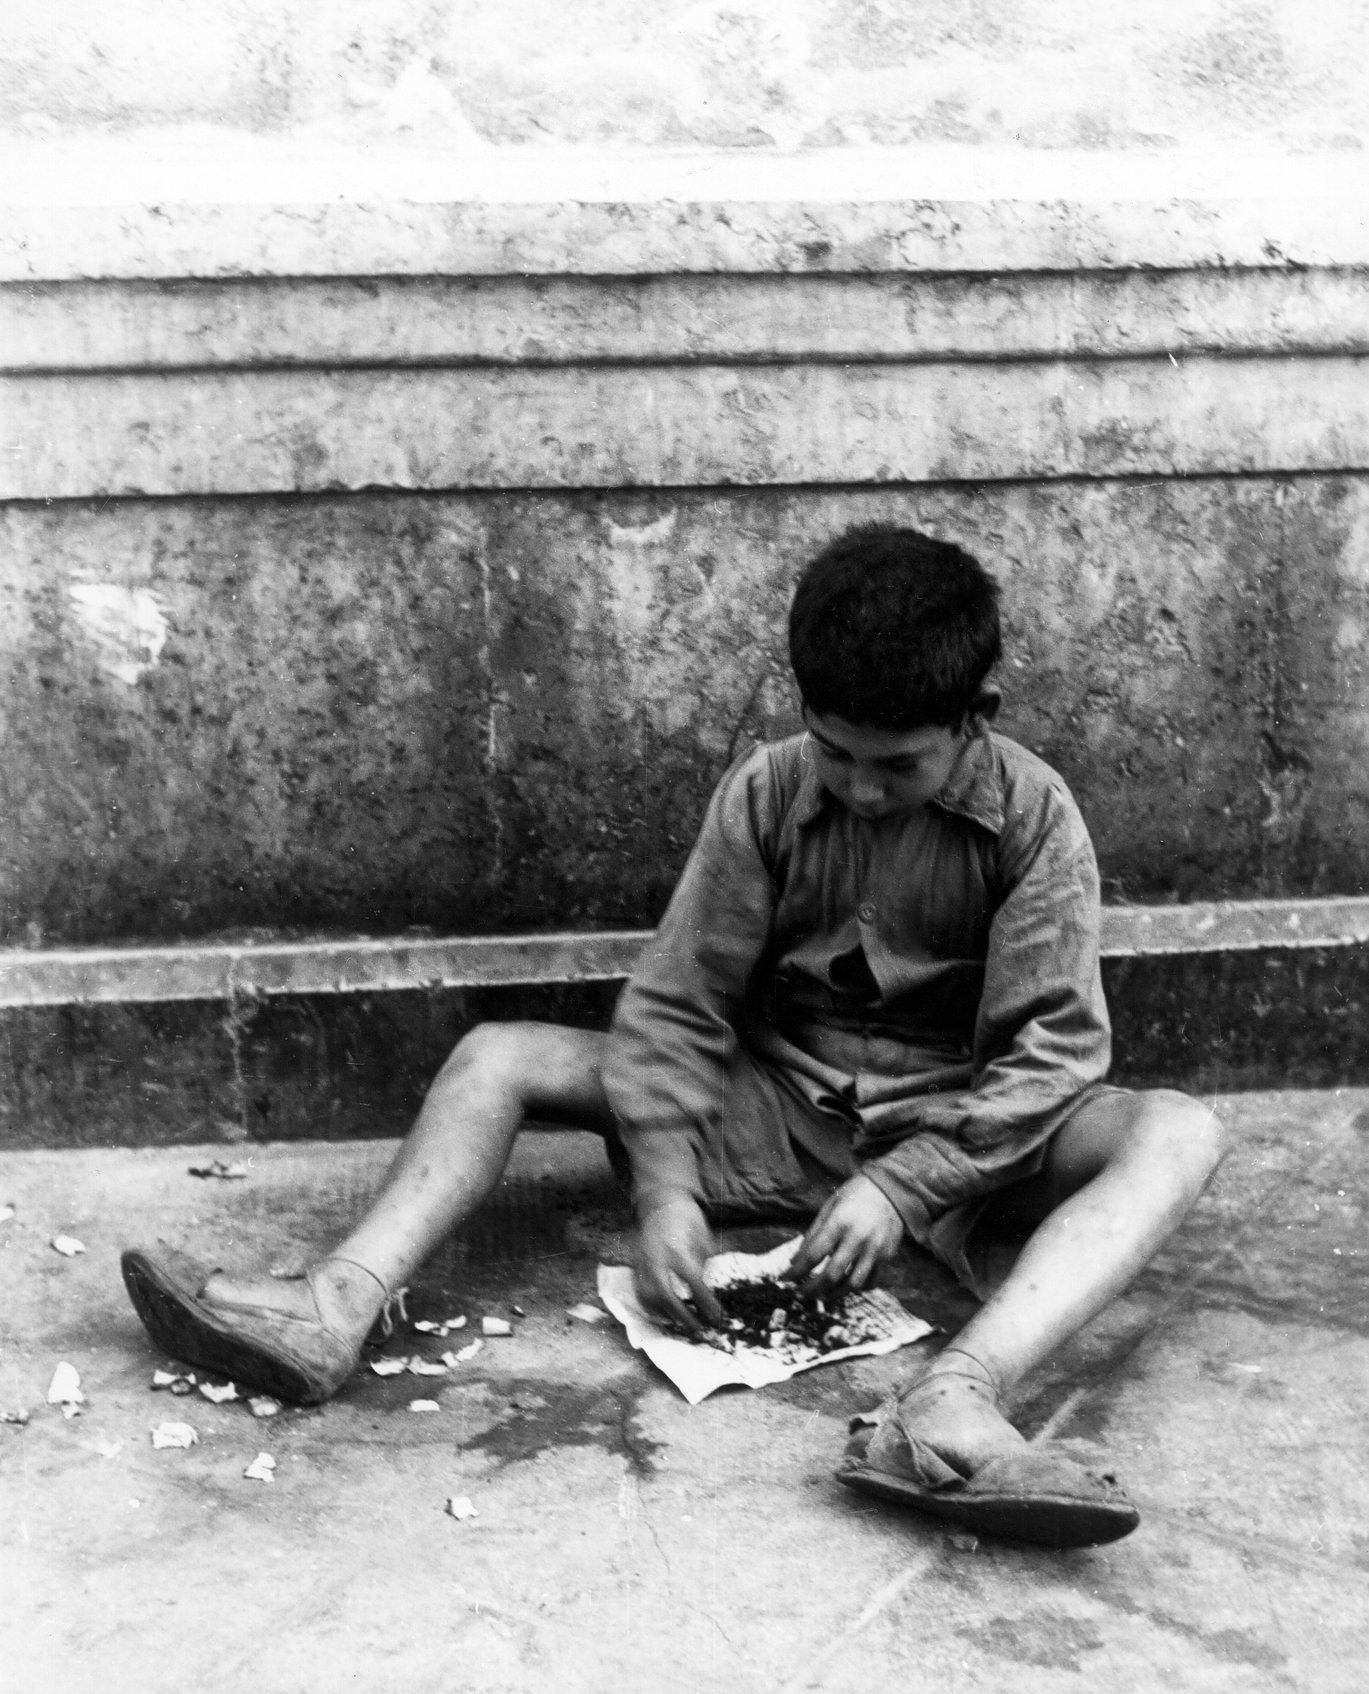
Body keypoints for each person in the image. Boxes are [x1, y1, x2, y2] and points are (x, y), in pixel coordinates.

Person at [122, 523, 1224, 1546]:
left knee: (1176, 1130)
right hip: (774, 1113)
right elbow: (678, 1001)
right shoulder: (766, 791)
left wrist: (905, 1187)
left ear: (977, 714)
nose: (860, 787)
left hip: (966, 1144)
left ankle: (949, 1399)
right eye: (836, 751)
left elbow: (1052, 1054)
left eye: (899, 765)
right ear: (803, 708)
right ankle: (337, 1303)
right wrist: (664, 1192)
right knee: (498, 1053)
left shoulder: (1035, 817)